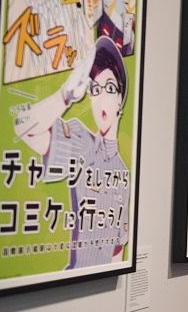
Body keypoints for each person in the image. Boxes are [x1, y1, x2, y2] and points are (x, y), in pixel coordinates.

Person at [16, 36, 130, 269]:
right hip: (75, 279)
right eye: (95, 89)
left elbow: (118, 250)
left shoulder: (123, 173)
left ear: (120, 99)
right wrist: (64, 96)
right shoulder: (81, 141)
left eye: (109, 88)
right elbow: (23, 127)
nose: (101, 98)